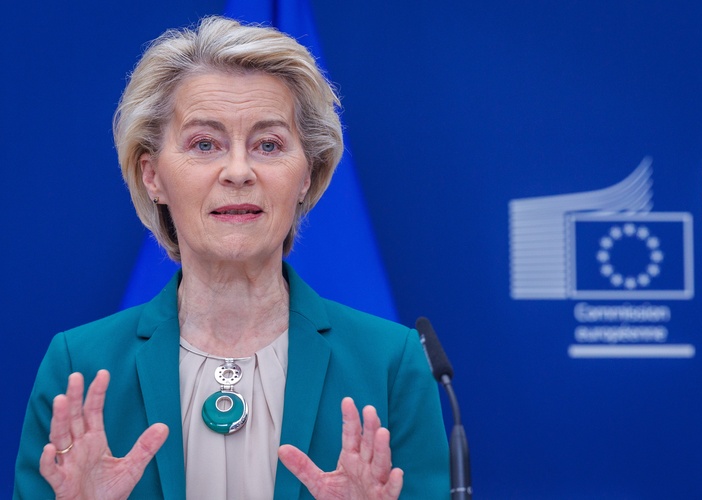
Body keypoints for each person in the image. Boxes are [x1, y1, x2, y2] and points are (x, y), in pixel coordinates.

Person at [13, 15, 449, 500]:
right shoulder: (80, 365)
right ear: (153, 175)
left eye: (268, 145)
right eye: (204, 144)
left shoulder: (390, 363)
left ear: (307, 175)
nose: (238, 171)